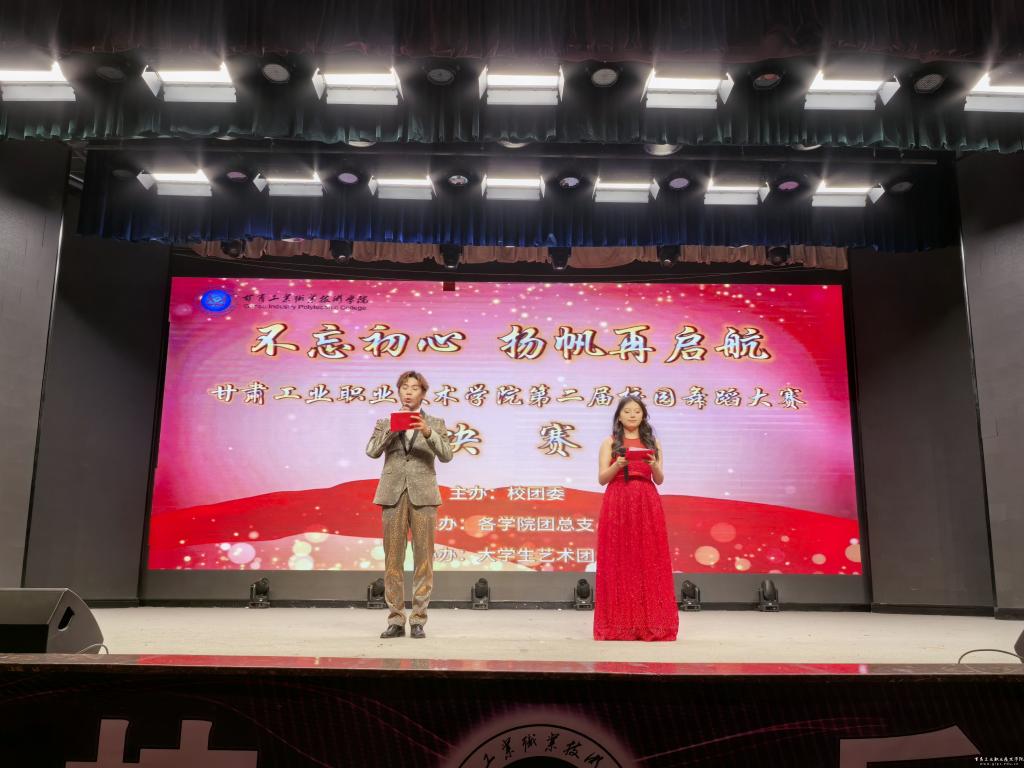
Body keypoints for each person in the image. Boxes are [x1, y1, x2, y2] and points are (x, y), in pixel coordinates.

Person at [366, 371, 453, 638]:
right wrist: (392, 431)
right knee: (393, 559)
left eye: (414, 388)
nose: (408, 392)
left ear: (423, 394)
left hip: (424, 496)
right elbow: (371, 451)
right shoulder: (385, 422)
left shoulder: (435, 423)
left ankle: (418, 620)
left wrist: (427, 432)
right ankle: (395, 619)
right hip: (392, 494)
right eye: (404, 387)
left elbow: (447, 455)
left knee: (423, 559)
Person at [593, 395, 679, 641]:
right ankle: (619, 624)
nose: (632, 415)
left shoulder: (653, 442)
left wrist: (653, 464)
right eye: (627, 411)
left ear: (643, 416)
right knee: (619, 558)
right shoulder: (610, 442)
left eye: (637, 411)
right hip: (617, 501)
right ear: (619, 416)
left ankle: (651, 623)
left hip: (646, 501)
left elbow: (659, 479)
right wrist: (618, 465)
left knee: (648, 558)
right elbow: (602, 479)